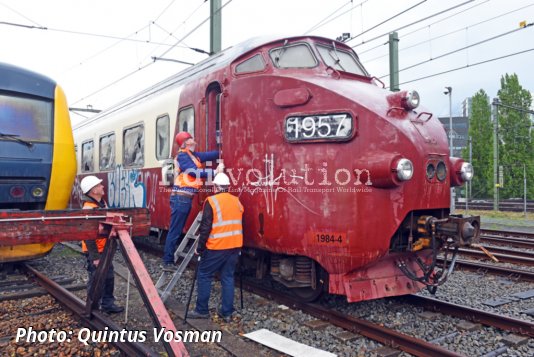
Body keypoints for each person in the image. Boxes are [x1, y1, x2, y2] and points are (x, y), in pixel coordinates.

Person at [163, 131, 223, 271]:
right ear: (185, 144)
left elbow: (211, 155)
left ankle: (168, 260)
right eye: (191, 140)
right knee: (175, 230)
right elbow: (193, 172)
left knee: (176, 230)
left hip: (185, 198)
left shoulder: (193, 155)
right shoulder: (183, 156)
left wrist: (222, 148)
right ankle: (167, 261)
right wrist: (215, 172)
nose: (194, 142)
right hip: (181, 197)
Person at [188, 173, 244, 323]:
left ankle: (201, 310)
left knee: (204, 274)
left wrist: (199, 248)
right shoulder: (236, 201)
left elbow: (205, 227)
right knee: (227, 277)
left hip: (217, 247)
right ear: (227, 187)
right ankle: (226, 312)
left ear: (216, 187)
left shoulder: (212, 201)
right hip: (234, 246)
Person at [80, 175, 124, 314]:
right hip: (96, 251)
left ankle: (107, 304)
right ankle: (92, 305)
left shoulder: (101, 204)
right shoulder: (89, 209)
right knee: (96, 278)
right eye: (99, 185)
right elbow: (88, 236)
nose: (102, 186)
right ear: (93, 191)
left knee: (109, 277)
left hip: (105, 248)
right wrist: (95, 257)